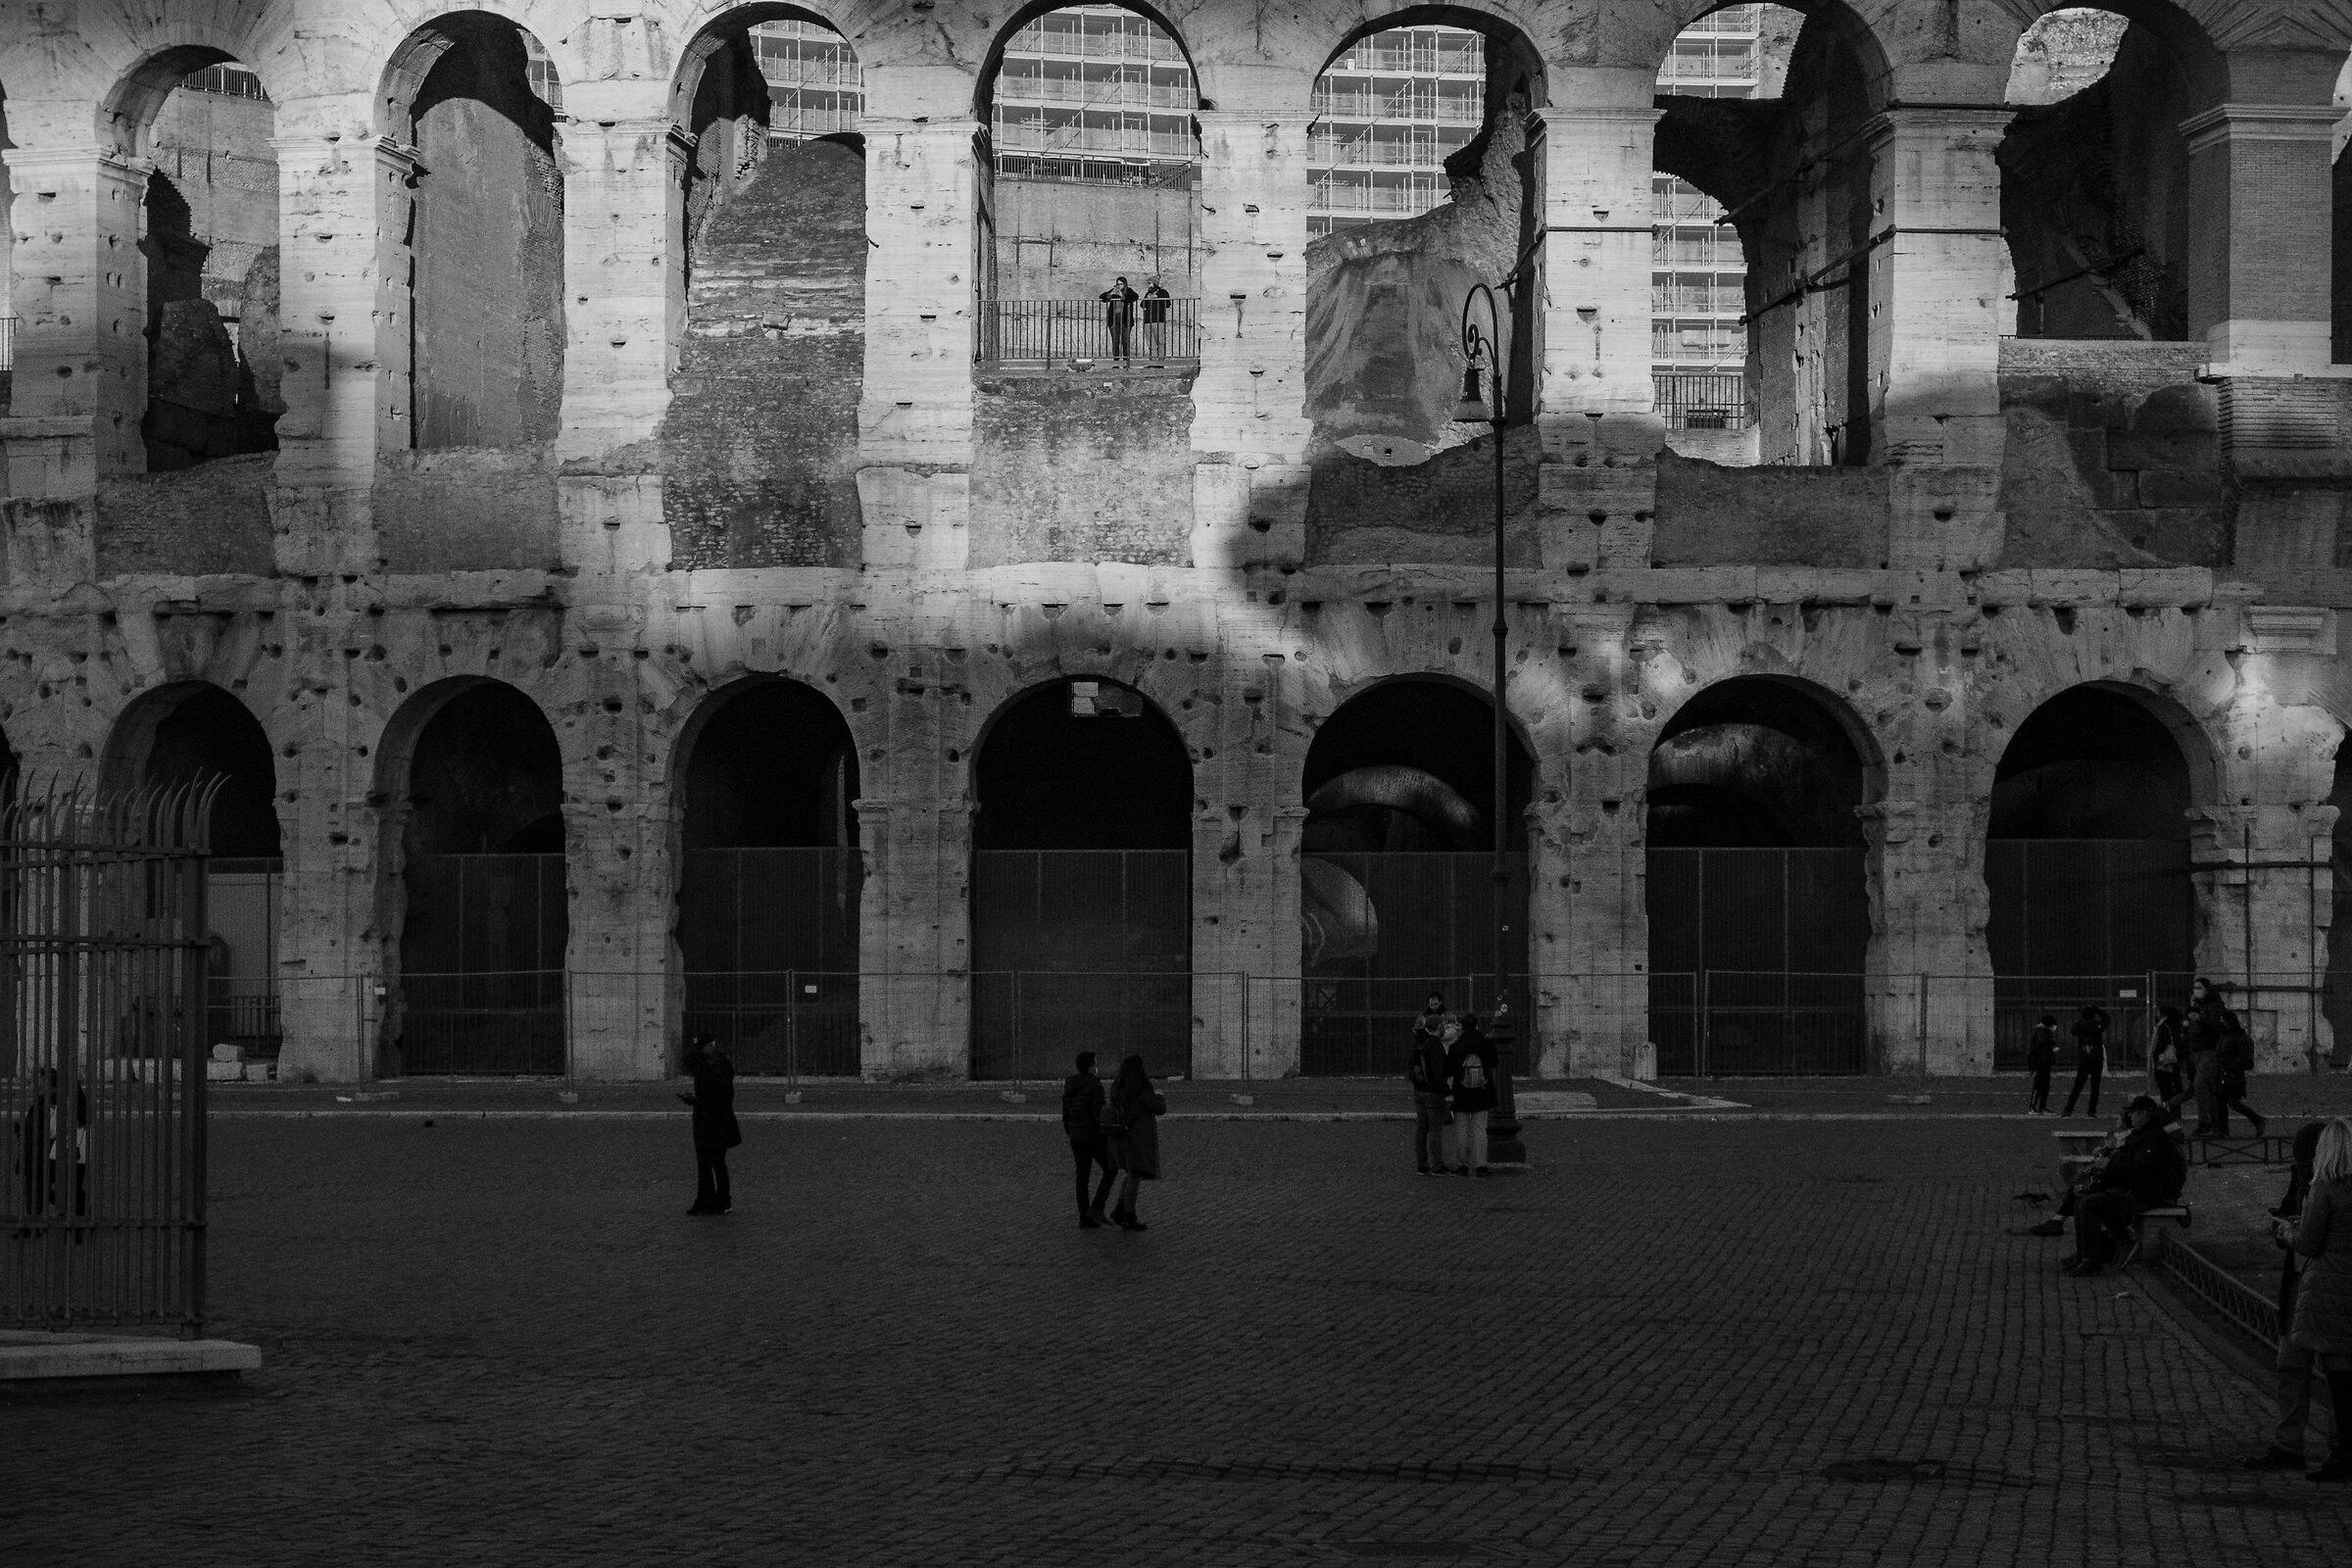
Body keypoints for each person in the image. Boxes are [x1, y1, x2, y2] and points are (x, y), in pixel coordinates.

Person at [2246, 1122, 2333, 1472]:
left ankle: (2335, 1443)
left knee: (2332, 1368)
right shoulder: (2302, 1177)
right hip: (2300, 1275)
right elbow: (2286, 1211)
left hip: (2327, 1281)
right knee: (2290, 1363)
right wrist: (2283, 1227)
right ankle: (2289, 1441)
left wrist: (2294, 1231)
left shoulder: (2335, 1184)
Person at [2282, 1117, 2352, 1481]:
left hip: (2330, 1288)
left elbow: (2310, 1243)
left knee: (2338, 1378)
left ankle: (2343, 1456)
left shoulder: (2325, 1186)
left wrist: (2289, 1232)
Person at [2063, 1094, 2186, 1276]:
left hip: (2145, 1194)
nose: (2129, 1117)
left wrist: (2109, 1165)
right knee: (2082, 1201)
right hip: (2133, 1189)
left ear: (2144, 1114)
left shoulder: (2153, 1138)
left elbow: (2140, 1169)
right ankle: (2084, 1254)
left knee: (2090, 1204)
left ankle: (2093, 1258)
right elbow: (2128, 1161)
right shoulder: (2141, 1134)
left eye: (2133, 1113)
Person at [14, 1067, 90, 1236]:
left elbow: (53, 1130)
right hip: (78, 1152)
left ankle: (74, 1220)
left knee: (49, 1187)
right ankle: (77, 1223)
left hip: (62, 1152)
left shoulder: (60, 1105)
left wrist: (27, 1131)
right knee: (72, 1188)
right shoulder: (81, 1106)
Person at [678, 1034, 740, 1216]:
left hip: (708, 1121)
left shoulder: (706, 1069)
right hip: (723, 1120)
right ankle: (722, 1200)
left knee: (706, 1162)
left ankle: (708, 1200)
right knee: (718, 1162)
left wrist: (694, 1101)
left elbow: (709, 1098)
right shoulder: (722, 1066)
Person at [1103, 1054, 1166, 1231]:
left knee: (1131, 1174)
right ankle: (1128, 1215)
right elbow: (1160, 1108)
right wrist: (1160, 1096)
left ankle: (1119, 1210)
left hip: (1119, 1138)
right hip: (1136, 1140)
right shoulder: (1141, 1089)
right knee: (1134, 1176)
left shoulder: (1117, 1087)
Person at [2169, 977, 2233, 1137]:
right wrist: (2187, 1020)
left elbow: (2214, 1025)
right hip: (2195, 1050)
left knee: (2200, 1085)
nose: (2196, 991)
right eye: (2194, 988)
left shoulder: (2215, 1005)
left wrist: (2200, 1019)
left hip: (2209, 1050)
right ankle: (2208, 1121)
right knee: (2198, 1087)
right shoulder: (2196, 1005)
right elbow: (2189, 1021)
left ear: (2207, 989)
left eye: (2199, 988)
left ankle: (2206, 1122)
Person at [1061, 1051, 1117, 1228]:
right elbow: (1099, 1113)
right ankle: (1097, 1207)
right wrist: (1105, 1134)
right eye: (1095, 1063)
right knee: (1111, 1169)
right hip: (1092, 1136)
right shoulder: (1095, 1086)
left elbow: (1065, 1115)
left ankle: (1084, 1218)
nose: (1096, 1067)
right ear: (1091, 1067)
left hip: (1076, 1136)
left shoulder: (1069, 1086)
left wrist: (1072, 1132)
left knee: (1082, 1177)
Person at [1446, 1013, 1499, 1177]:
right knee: (1480, 1129)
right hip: (1482, 1091)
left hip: (1461, 1092)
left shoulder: (1456, 1047)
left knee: (1461, 1129)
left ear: (1463, 1027)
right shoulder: (1486, 1043)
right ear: (1477, 1026)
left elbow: (1449, 1070)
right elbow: (1495, 1062)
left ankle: (1462, 1164)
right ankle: (1481, 1165)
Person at [1407, 1006, 1452, 1176]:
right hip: (1433, 1093)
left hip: (1419, 1090)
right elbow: (1439, 1073)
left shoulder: (1421, 1043)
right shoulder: (1436, 1046)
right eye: (1442, 1025)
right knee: (1435, 1129)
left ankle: (1422, 1164)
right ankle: (1437, 1165)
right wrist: (1447, 1092)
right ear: (1438, 1027)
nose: (1444, 1028)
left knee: (1421, 1128)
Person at [2060, 1004, 2106, 1117]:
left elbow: (2073, 1030)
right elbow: (2106, 1018)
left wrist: (2083, 1017)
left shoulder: (2081, 1025)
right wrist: (2096, 1009)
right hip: (2096, 1058)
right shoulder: (2097, 1025)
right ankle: (2091, 1111)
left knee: (2078, 1086)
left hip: (2084, 1058)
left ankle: (2068, 1110)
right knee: (2095, 1087)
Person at [2148, 1004, 2187, 1105]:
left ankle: (2168, 1109)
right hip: (2173, 1059)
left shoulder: (2163, 1026)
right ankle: (2174, 1110)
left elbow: (2162, 1043)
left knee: (2165, 1087)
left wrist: (2156, 1055)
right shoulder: (2174, 1026)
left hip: (2164, 1060)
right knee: (2173, 1085)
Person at [1100, 276, 1140, 367]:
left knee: (1125, 341)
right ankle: (1116, 363)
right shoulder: (1114, 291)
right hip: (1114, 320)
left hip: (1125, 321)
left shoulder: (1128, 291)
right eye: (1118, 283)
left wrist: (1122, 295)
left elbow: (1135, 297)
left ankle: (1126, 362)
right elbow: (1102, 297)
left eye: (1121, 284)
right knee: (1115, 341)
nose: (1119, 285)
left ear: (1125, 284)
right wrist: (1111, 293)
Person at [2025, 1014, 2058, 1114]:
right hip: (2041, 1062)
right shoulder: (2041, 1032)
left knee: (2044, 1085)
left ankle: (2042, 1107)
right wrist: (2052, 1047)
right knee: (2039, 1085)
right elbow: (2042, 1044)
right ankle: (2033, 1107)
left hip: (2044, 1061)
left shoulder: (2042, 1031)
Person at [1141, 279, 1171, 363]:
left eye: (1150, 283)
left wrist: (1157, 297)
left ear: (1155, 284)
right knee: (1151, 343)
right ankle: (1153, 361)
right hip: (1148, 321)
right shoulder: (1148, 293)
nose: (1149, 285)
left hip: (1158, 320)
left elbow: (1168, 304)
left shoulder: (1163, 292)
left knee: (1160, 342)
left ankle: (1161, 361)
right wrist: (1147, 298)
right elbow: (1142, 305)